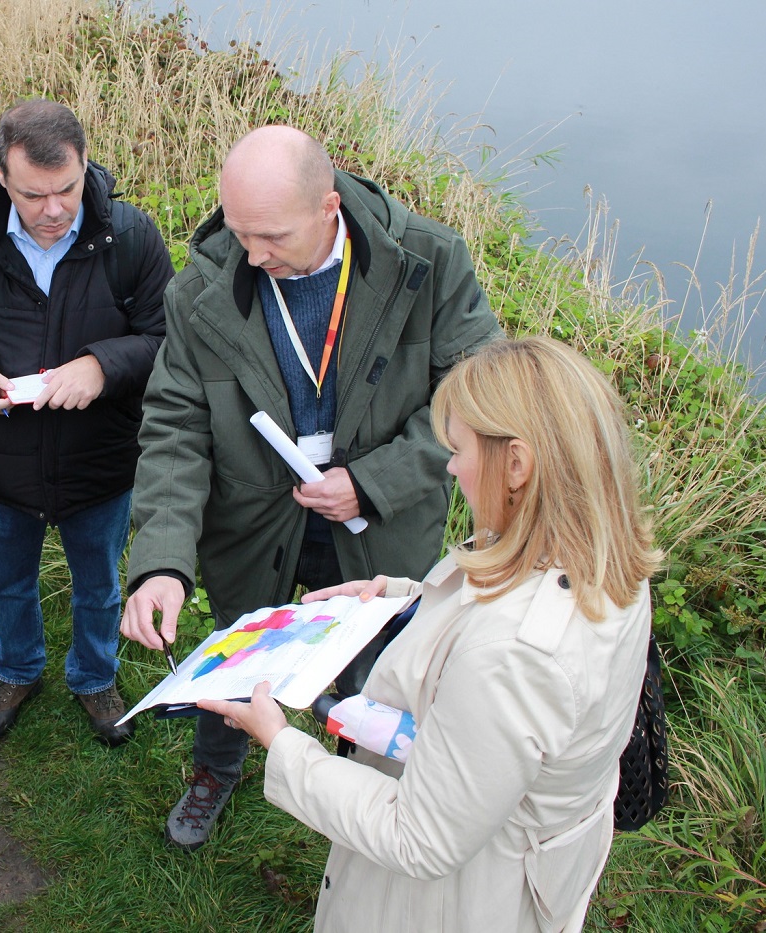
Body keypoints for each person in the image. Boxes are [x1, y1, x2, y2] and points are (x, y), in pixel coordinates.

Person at [120, 125, 502, 849]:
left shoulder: (430, 261)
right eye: (239, 233)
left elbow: (479, 396)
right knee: (238, 652)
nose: (252, 256)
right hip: (255, 519)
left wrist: (373, 481)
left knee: (383, 660)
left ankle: (374, 796)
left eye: (271, 237)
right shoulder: (203, 284)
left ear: (329, 206)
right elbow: (173, 421)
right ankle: (216, 768)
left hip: (380, 523)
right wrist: (163, 559)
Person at [200, 336, 661, 932]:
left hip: (454, 904)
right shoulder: (597, 552)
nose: (450, 466)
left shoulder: (516, 655)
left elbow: (419, 839)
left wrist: (284, 744)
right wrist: (400, 601)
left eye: (460, 448)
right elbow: (498, 614)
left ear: (516, 463)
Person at [0, 99, 173, 745]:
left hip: (100, 456)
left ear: (85, 166)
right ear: (1, 176)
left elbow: (169, 337)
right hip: (2, 454)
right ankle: (17, 669)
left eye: (68, 189)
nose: (55, 210)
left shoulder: (130, 236)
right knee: (8, 581)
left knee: (100, 585)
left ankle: (95, 676)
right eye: (34, 194)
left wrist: (103, 366)